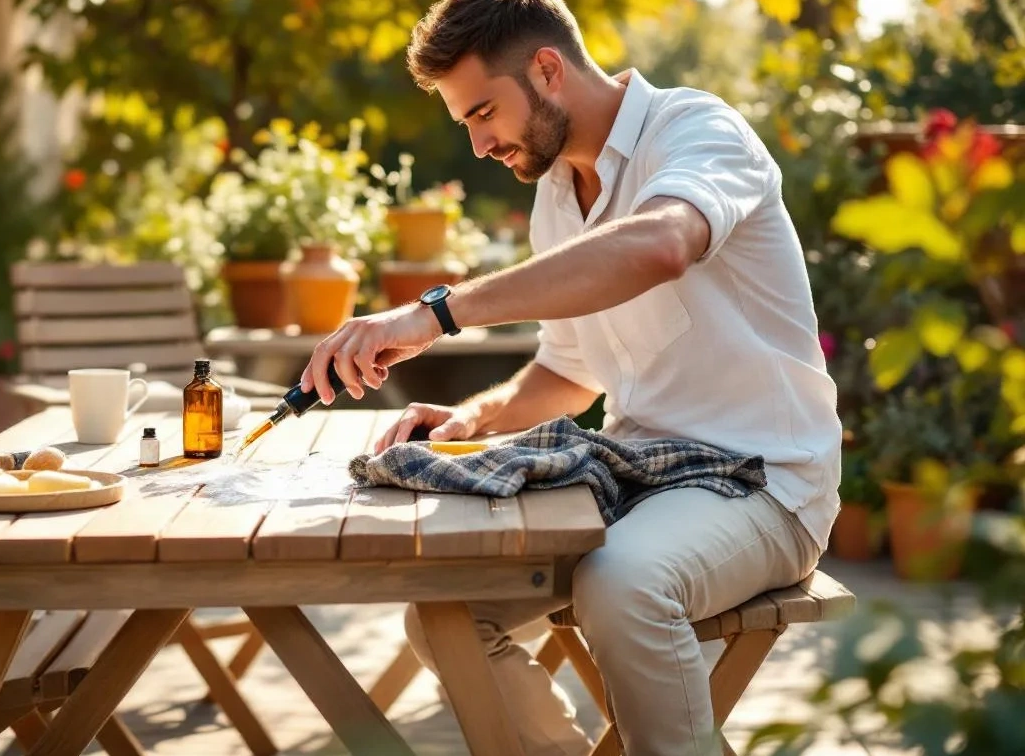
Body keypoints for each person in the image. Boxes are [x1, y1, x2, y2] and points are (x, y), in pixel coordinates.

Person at [296, 1, 842, 754]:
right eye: (467, 124)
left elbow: (660, 245)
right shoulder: (557, 197)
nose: (481, 143)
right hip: (636, 476)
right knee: (445, 610)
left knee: (623, 585)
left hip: (764, 484)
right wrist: (473, 418)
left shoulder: (697, 130)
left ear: (548, 69)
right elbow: (568, 372)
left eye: (484, 111)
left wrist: (437, 313)